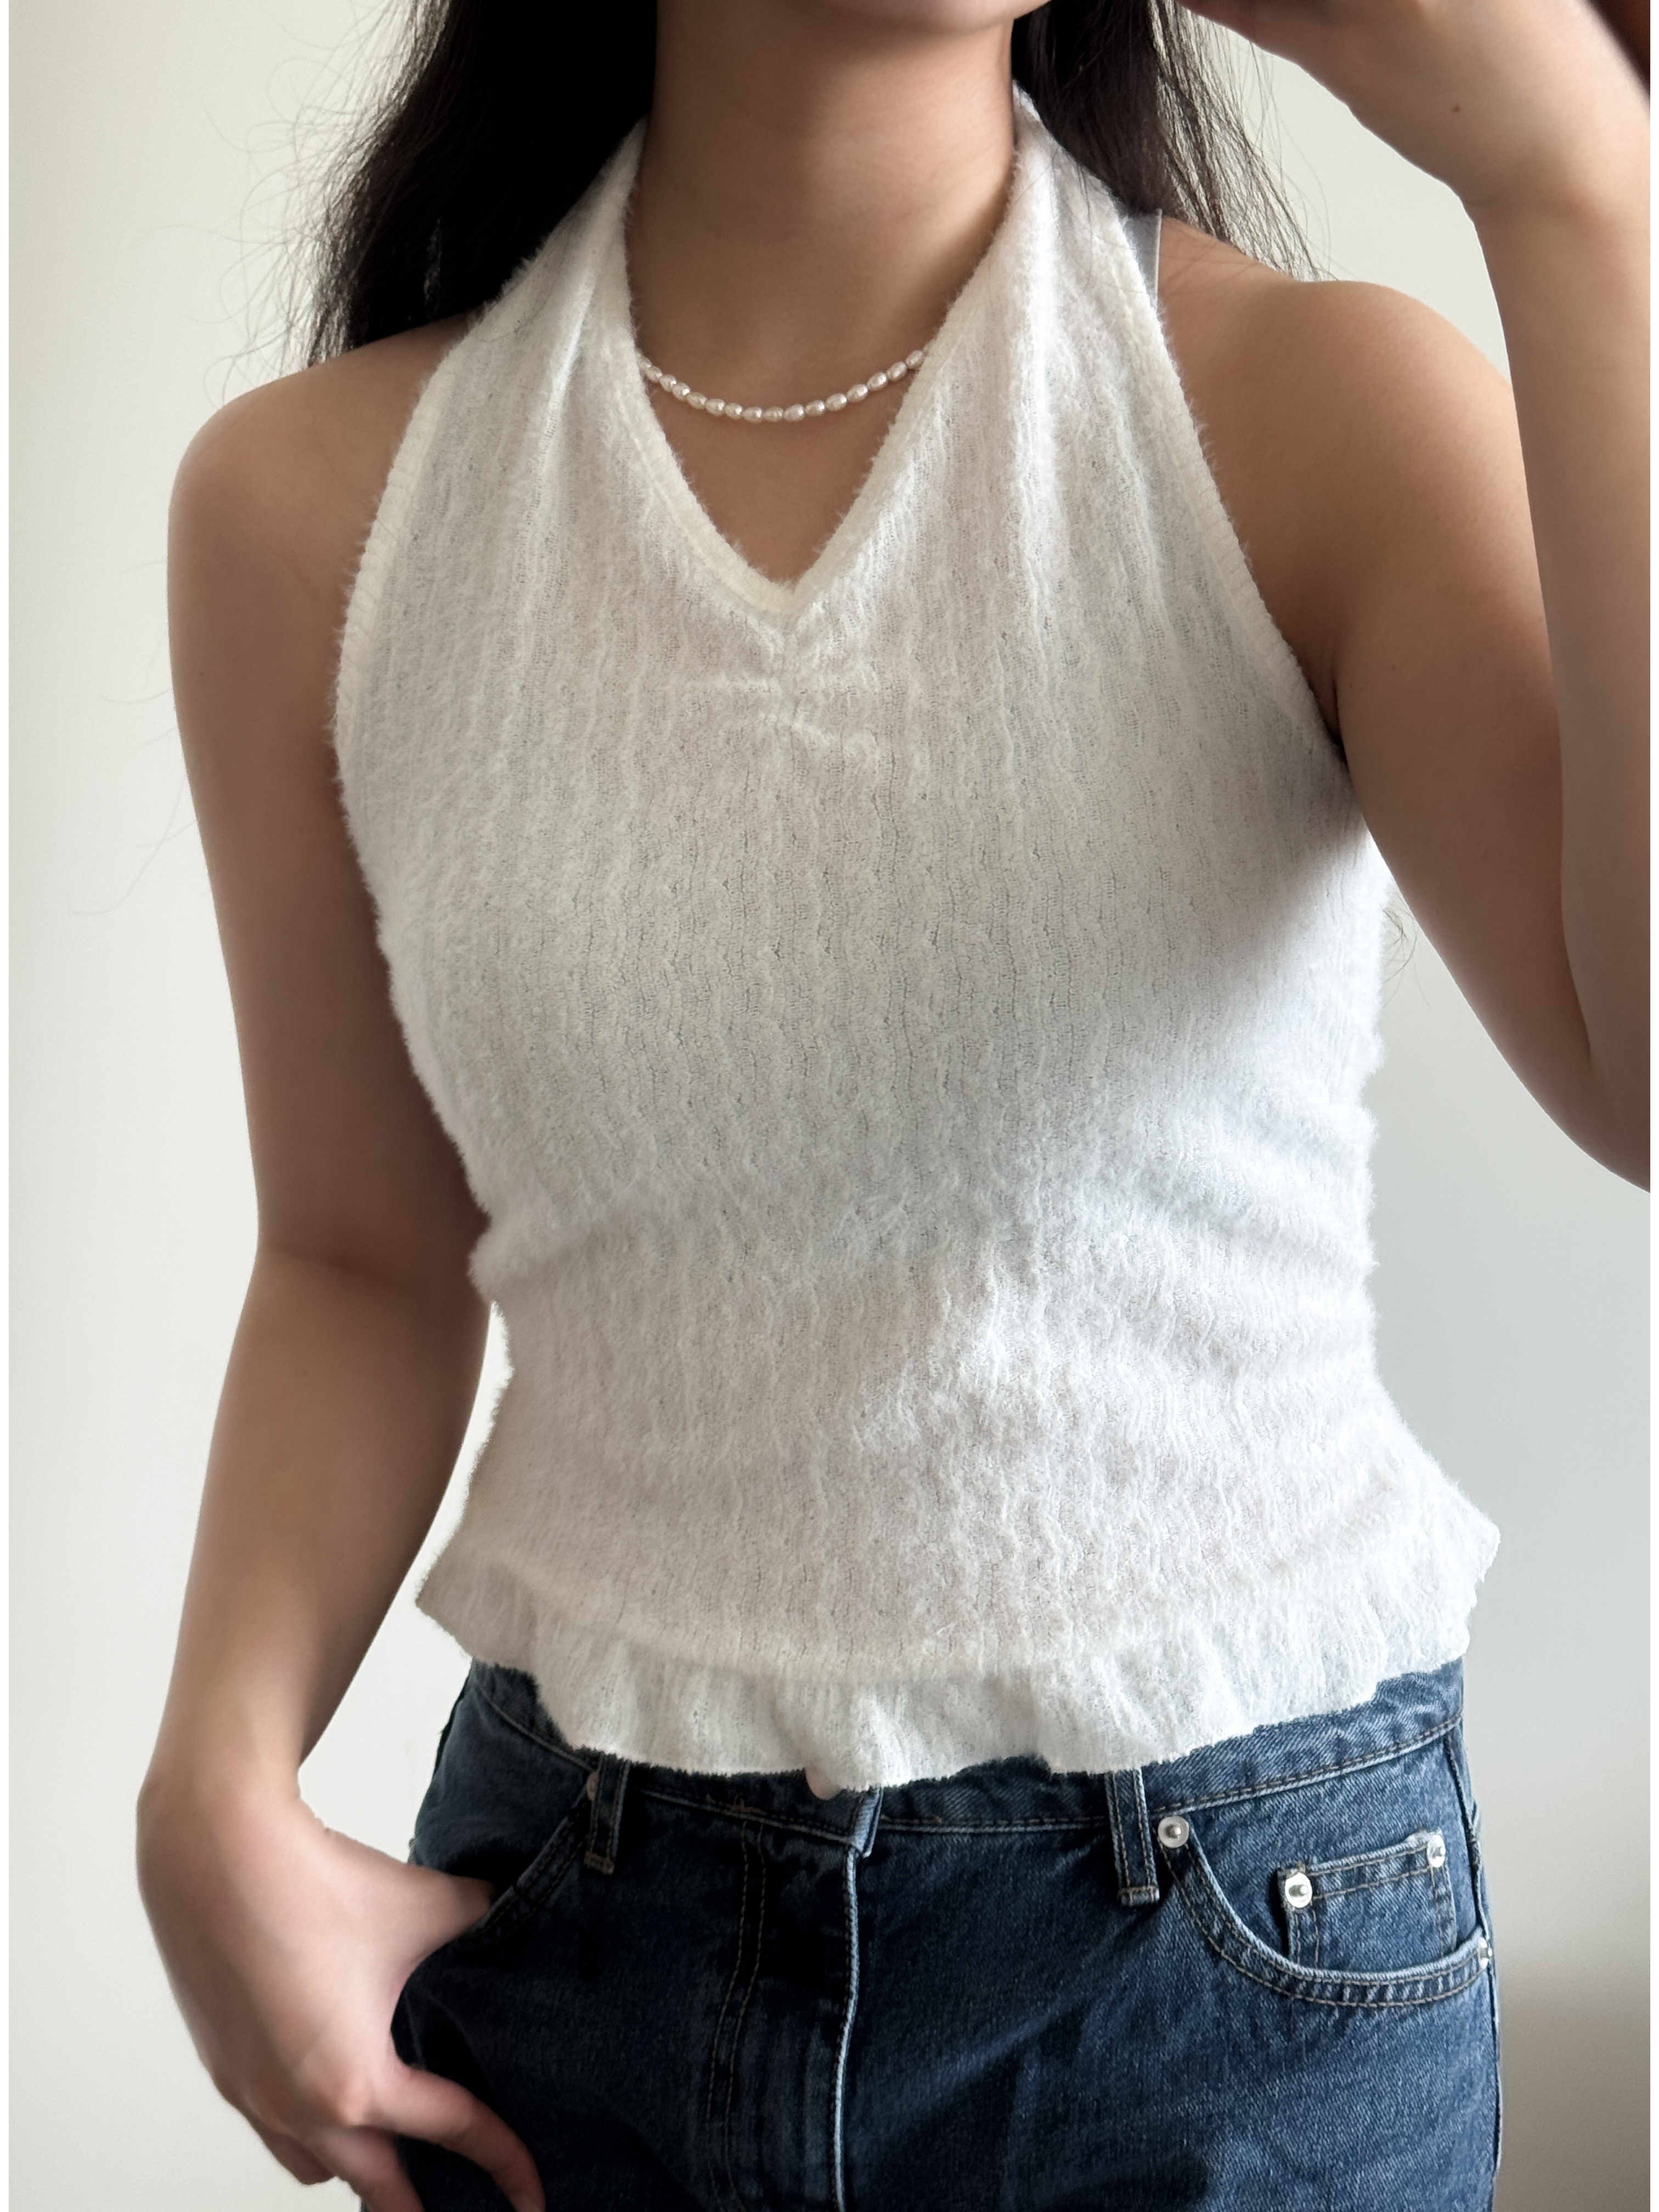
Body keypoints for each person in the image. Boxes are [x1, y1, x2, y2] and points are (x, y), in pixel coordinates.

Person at [135, 0, 1647, 2204]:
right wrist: (216, 1777)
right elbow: (359, 1255)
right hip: (580, 1945)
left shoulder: (1310, 414)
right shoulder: (312, 515)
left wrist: (1577, 184)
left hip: (1229, 1964)